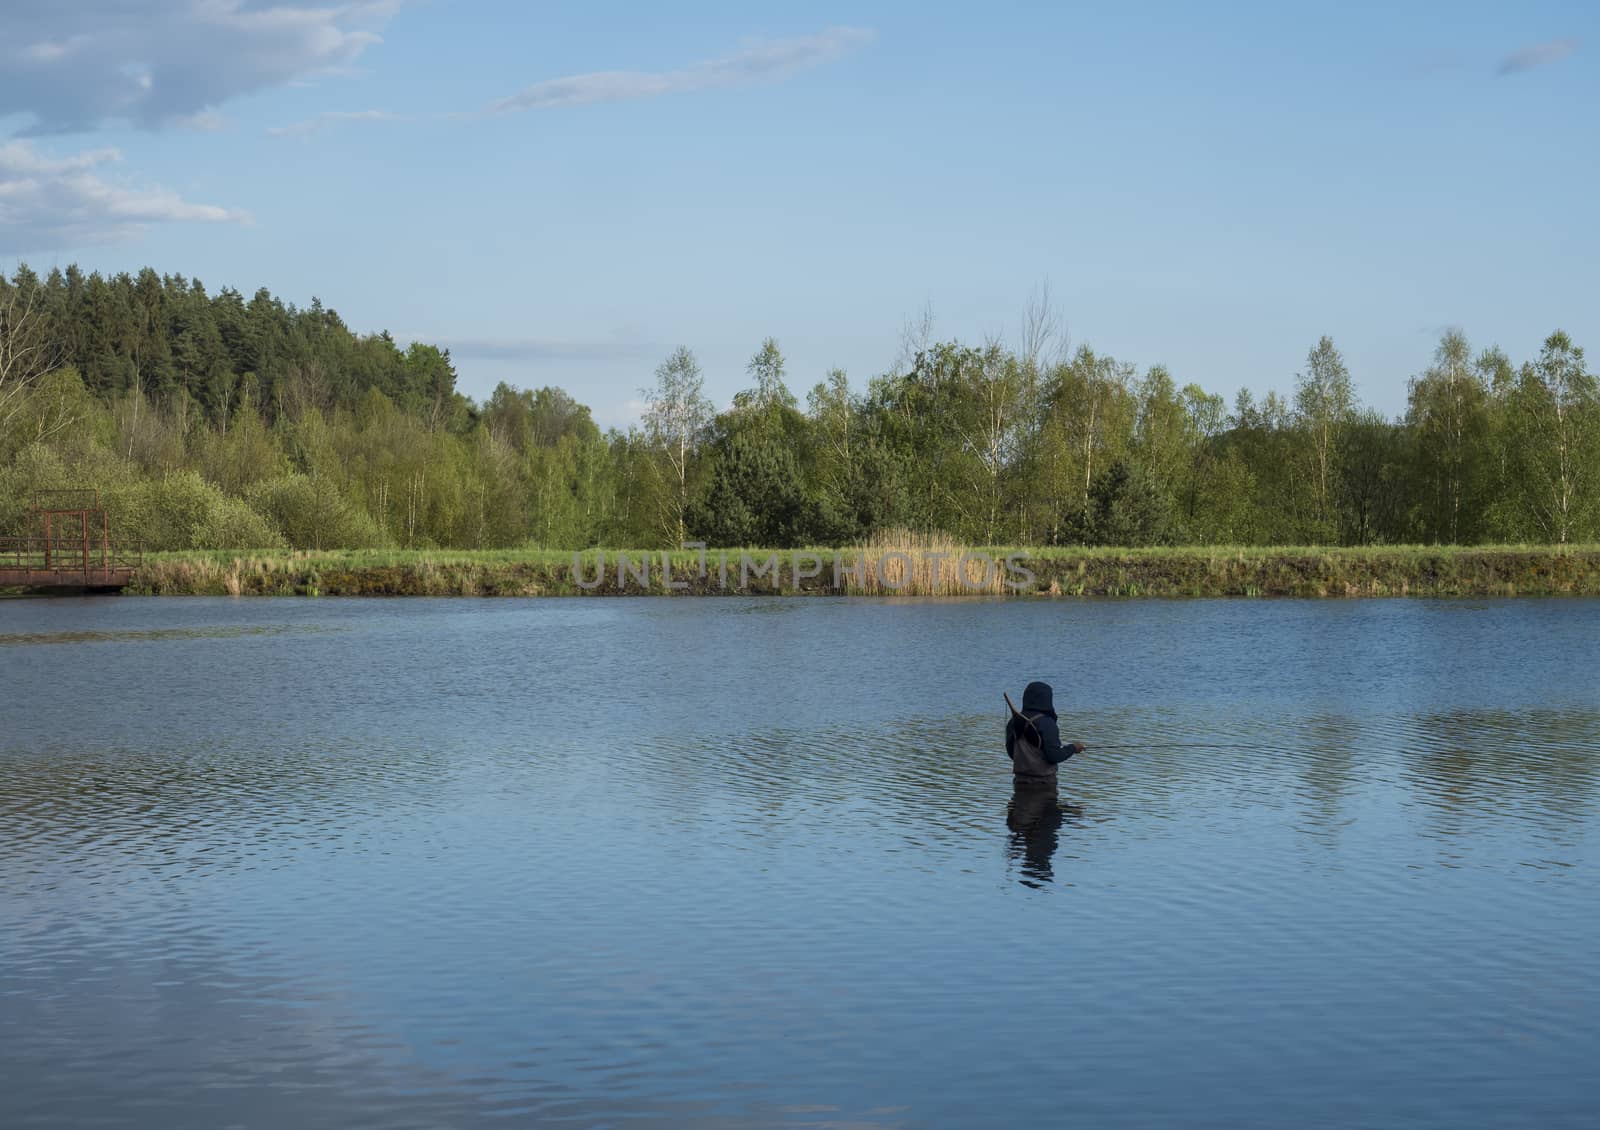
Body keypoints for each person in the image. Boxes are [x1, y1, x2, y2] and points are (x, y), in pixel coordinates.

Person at [1005, 680, 1084, 791]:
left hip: (1019, 783)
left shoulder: (1013, 722)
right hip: (1044, 784)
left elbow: (1011, 753)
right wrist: (1073, 748)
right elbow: (1054, 756)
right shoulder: (1046, 723)